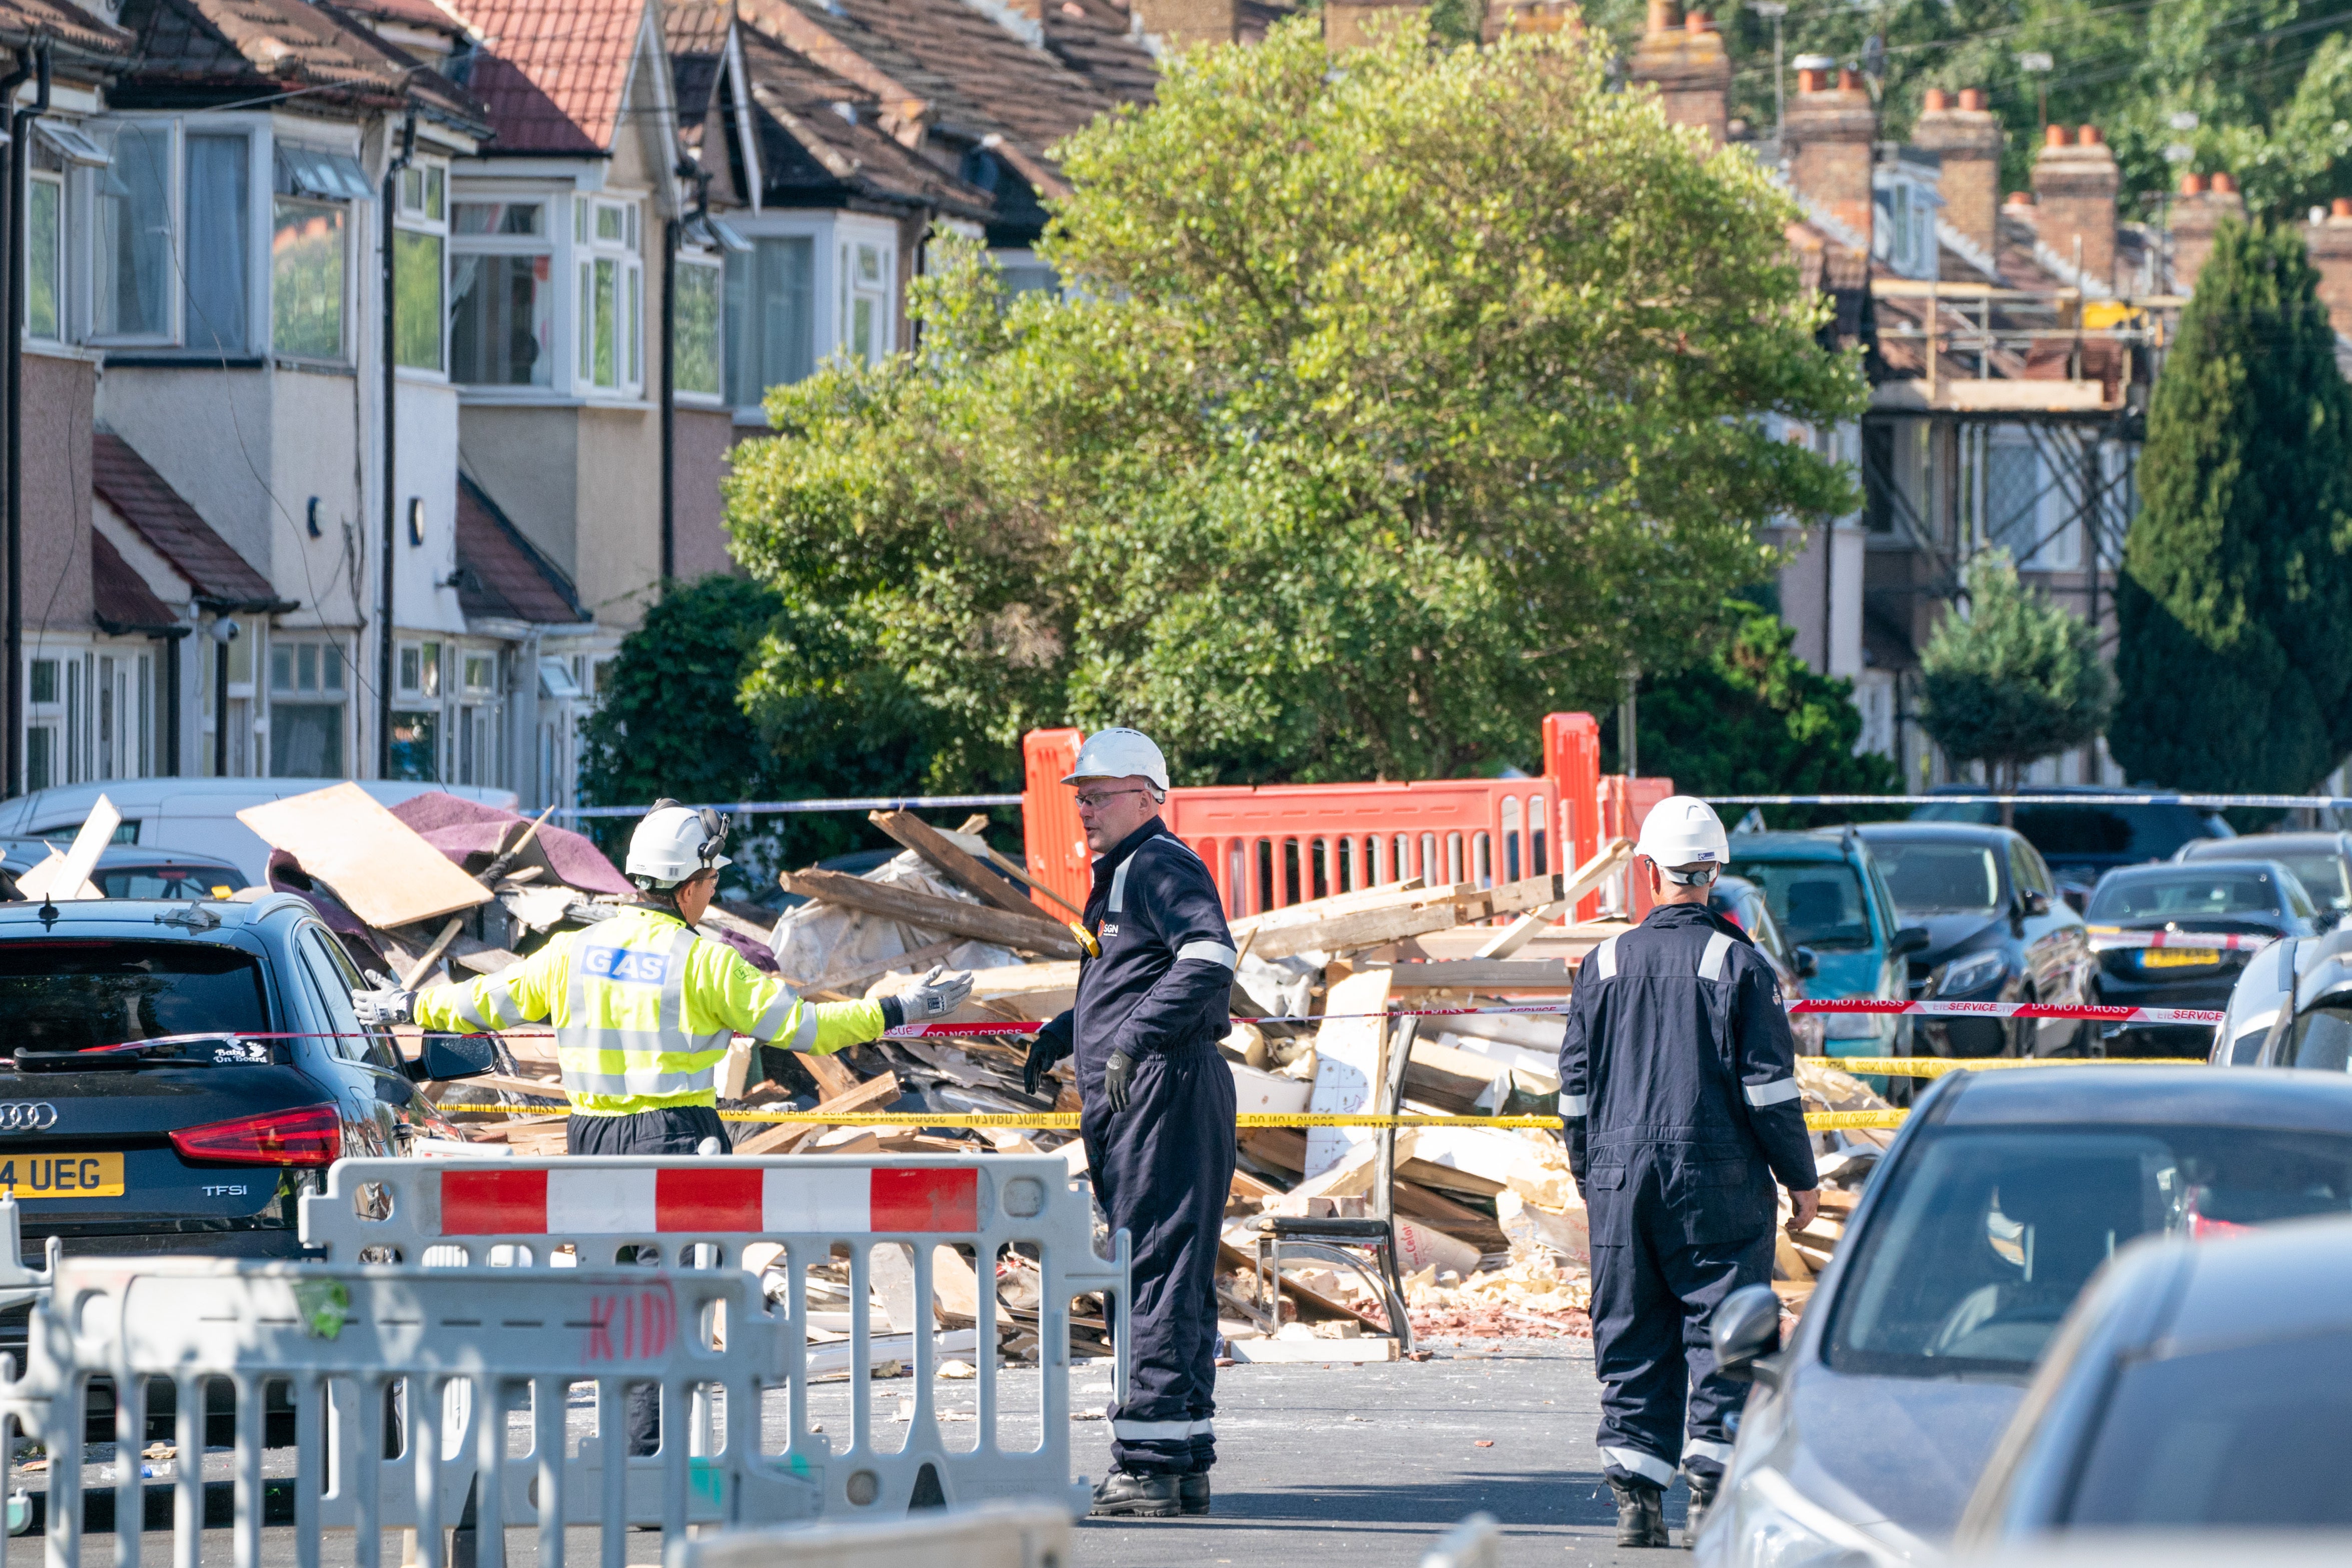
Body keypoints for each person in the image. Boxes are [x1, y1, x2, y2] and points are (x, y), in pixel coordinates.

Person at [352, 799, 972, 1449]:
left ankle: (630, 1454)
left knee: (617, 1306)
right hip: (675, 1143)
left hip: (592, 1143)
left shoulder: (575, 953)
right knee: (667, 1311)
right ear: (690, 884)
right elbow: (807, 1027)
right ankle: (644, 1463)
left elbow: (487, 1000)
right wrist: (897, 1006)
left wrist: (410, 1002)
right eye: (712, 881)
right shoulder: (706, 963)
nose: (713, 891)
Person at [1558, 796, 1820, 1548]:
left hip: (1618, 1178)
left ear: (1649, 871)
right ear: (1714, 874)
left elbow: (1571, 1088)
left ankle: (1636, 1501)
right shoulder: (1738, 962)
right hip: (1716, 1180)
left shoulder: (1601, 962)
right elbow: (1767, 1089)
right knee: (1723, 1328)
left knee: (1630, 1327)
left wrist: (1591, 1174)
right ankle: (1711, 1490)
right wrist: (1799, 1177)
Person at [1021, 728, 1237, 1520]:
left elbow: (1210, 954)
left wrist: (1138, 1036)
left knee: (1152, 1267)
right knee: (1160, 1265)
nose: (1084, 808)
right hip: (1145, 1085)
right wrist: (1071, 1026)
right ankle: (1178, 1452)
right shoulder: (1122, 874)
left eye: (1099, 794)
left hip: (1165, 1086)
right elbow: (1135, 973)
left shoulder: (1157, 863)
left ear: (1147, 794)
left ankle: (1148, 1460)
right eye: (1080, 795)